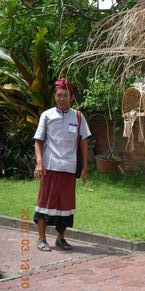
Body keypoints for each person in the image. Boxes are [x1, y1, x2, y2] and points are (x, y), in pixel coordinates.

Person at [33, 78, 91, 251]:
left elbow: (84, 142)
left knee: (65, 204)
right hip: (49, 167)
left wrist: (85, 167)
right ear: (54, 96)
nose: (61, 99)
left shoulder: (78, 117)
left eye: (65, 96)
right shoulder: (47, 116)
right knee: (45, 202)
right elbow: (38, 140)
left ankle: (60, 238)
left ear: (71, 97)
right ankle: (41, 239)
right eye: (59, 95)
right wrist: (39, 163)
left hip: (69, 167)